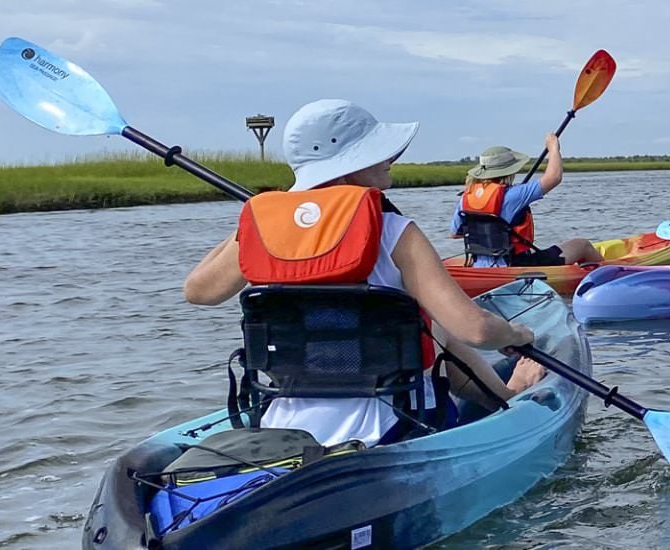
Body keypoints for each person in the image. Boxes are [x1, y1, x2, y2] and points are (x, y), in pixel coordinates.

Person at [183, 99, 546, 446]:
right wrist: (514, 332)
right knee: (442, 326)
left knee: (437, 328)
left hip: (284, 424)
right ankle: (508, 397)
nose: (391, 158)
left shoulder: (262, 230)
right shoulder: (395, 231)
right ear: (347, 162)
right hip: (397, 423)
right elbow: (477, 330)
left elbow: (199, 291)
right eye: (377, 150)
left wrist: (255, 219)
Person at [449, 136, 603, 268]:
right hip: (518, 265)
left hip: (479, 265)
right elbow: (554, 178)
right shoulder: (514, 195)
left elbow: (455, 234)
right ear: (509, 170)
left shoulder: (466, 197)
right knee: (582, 245)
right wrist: (554, 148)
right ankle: (612, 274)